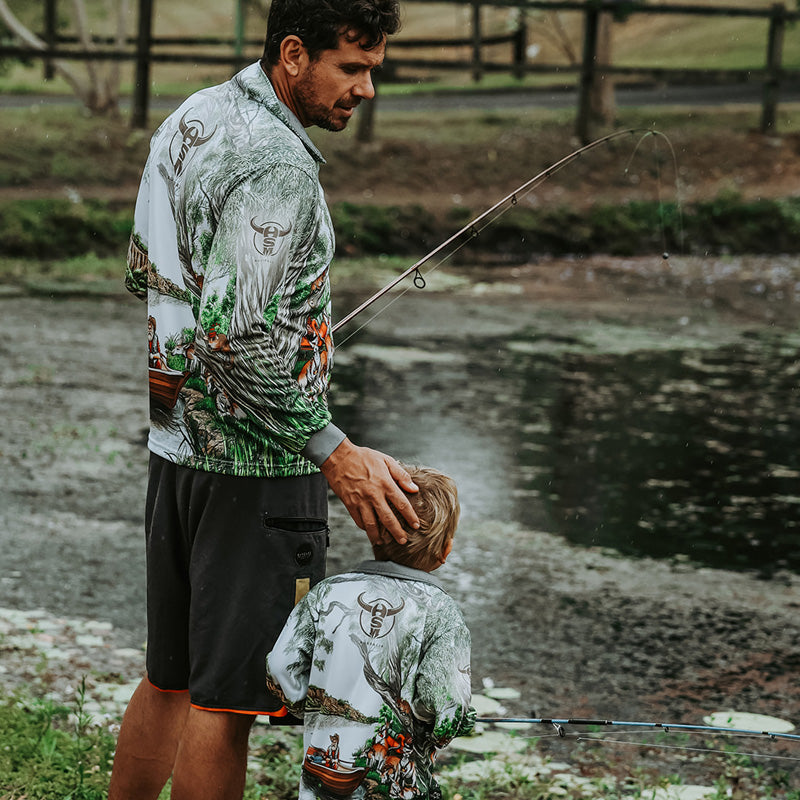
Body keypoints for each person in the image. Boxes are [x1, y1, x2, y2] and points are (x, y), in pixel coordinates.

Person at [109, 2, 420, 799]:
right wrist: (334, 452)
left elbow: (145, 266)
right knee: (229, 697)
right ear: (293, 54)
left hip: (175, 445)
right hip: (256, 472)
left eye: (373, 67)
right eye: (352, 67)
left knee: (170, 676)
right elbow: (237, 337)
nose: (367, 88)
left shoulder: (196, 117)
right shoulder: (277, 166)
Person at [265, 465, 475, 800]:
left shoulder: (326, 593)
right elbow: (446, 708)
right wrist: (448, 724)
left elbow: (280, 666)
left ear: (373, 533)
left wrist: (311, 709)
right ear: (445, 551)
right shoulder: (442, 613)